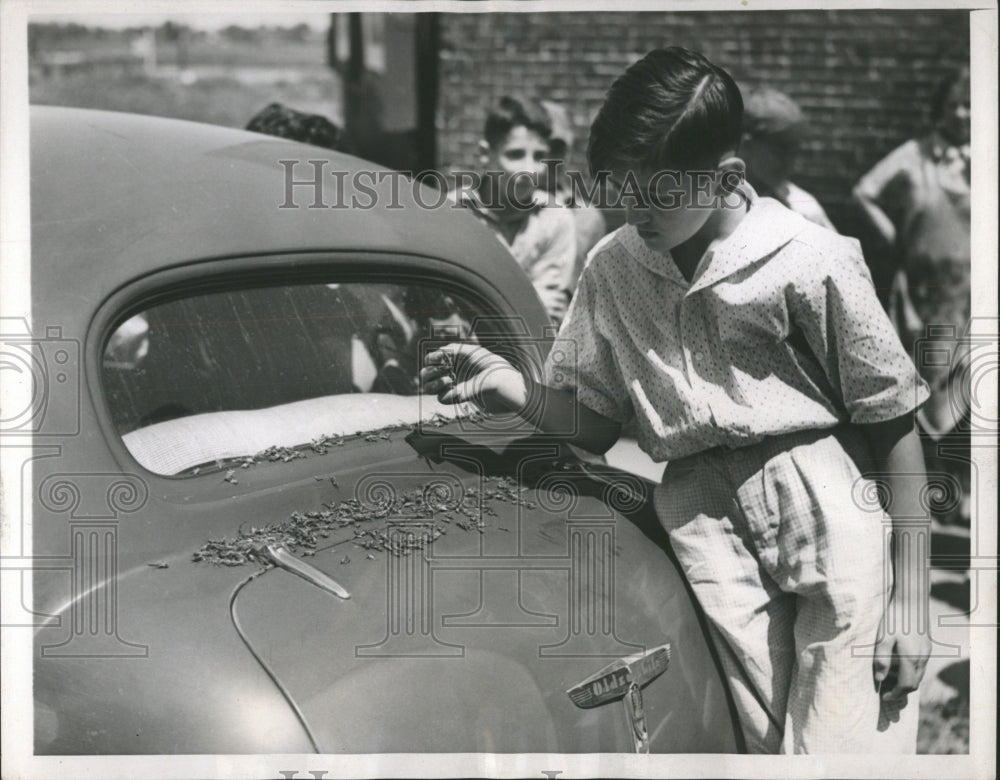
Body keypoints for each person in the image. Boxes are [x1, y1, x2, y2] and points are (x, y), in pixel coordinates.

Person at [423, 47, 932, 754]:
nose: (634, 214)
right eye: (618, 193)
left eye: (655, 195)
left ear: (726, 178)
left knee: (842, 751)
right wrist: (514, 390)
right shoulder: (612, 266)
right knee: (755, 741)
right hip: (702, 518)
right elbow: (598, 426)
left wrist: (911, 601)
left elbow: (895, 422)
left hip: (826, 508)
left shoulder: (812, 257)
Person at [853, 67, 971, 447]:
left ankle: (968, 496)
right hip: (921, 292)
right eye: (952, 105)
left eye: (968, 105)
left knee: (972, 379)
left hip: (971, 291)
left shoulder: (986, 158)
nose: (960, 114)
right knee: (919, 380)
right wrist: (896, 238)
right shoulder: (914, 155)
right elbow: (864, 192)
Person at [453, 95, 577, 324]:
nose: (529, 170)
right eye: (515, 154)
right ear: (485, 154)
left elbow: (547, 315)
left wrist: (481, 302)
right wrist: (528, 302)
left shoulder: (555, 218)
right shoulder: (453, 212)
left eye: (539, 156)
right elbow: (445, 308)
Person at [741, 87, 836, 230]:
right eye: (781, 149)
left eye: (794, 151)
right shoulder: (713, 204)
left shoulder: (803, 209)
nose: (791, 163)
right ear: (747, 145)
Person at [541, 100, 609, 288]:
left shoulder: (587, 219)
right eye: (539, 149)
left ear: (567, 152)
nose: (546, 158)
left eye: (555, 148)